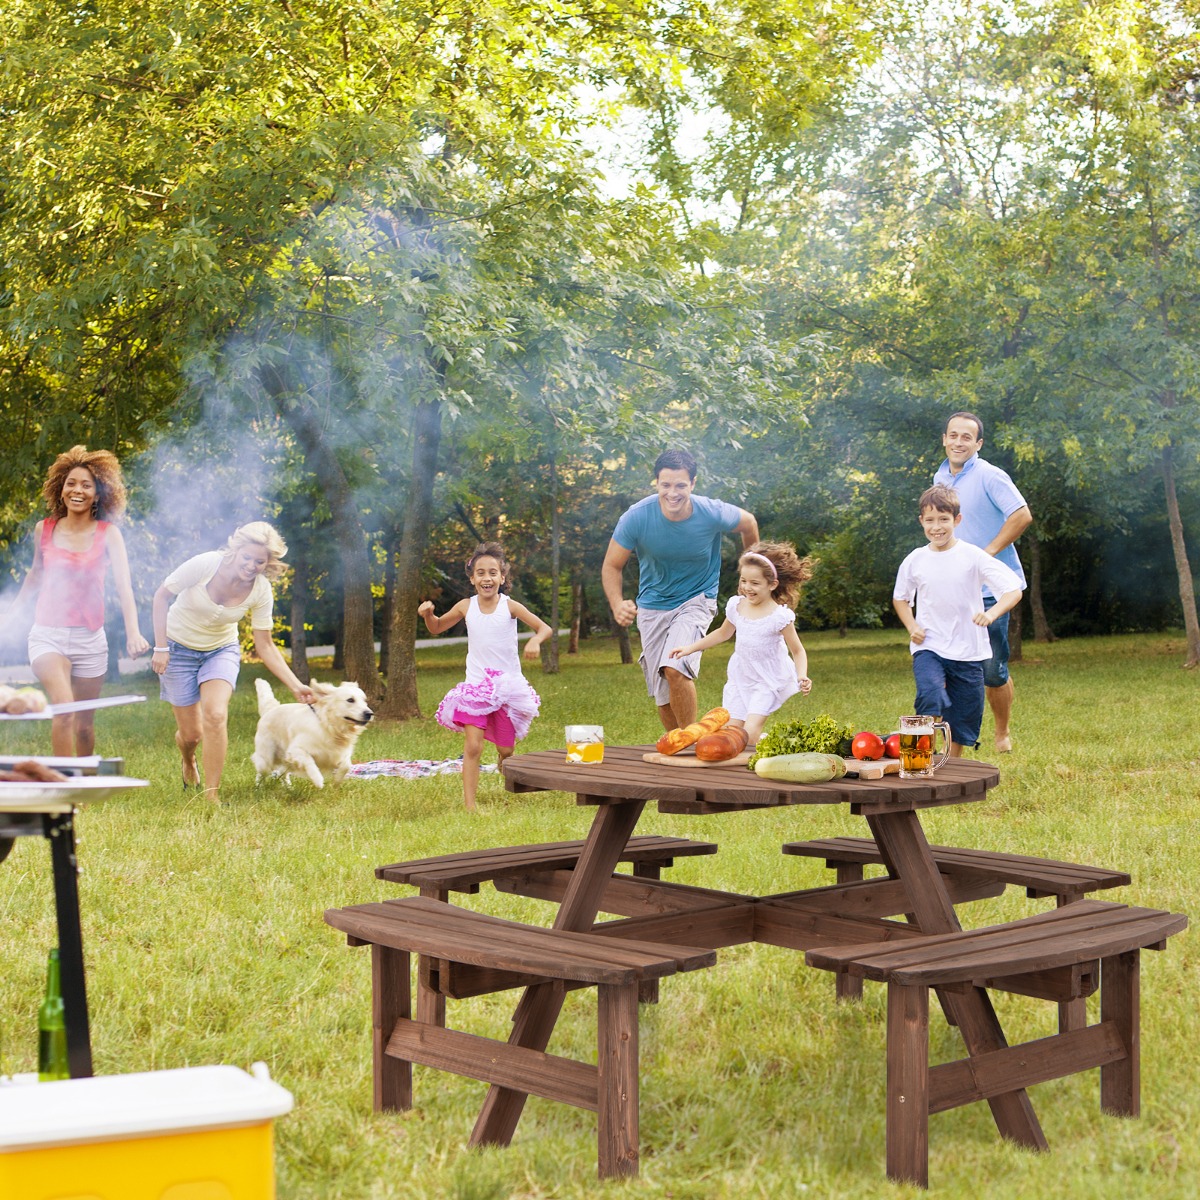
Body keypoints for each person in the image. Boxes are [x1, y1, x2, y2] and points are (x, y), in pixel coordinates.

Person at [151, 521, 314, 802]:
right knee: (191, 735)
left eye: (259, 561)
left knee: (215, 714)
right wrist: (161, 647)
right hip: (177, 649)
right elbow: (161, 596)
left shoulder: (261, 590)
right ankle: (188, 759)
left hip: (220, 650)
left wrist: (296, 685)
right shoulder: (206, 564)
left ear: (268, 563)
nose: (251, 565)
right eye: (247, 557)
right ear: (235, 551)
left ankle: (211, 795)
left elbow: (264, 644)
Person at [5, 446, 150, 755]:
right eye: (71, 483)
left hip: (90, 640)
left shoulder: (108, 534)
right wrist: (10, 615)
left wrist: (134, 633)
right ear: (61, 489)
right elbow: (35, 575)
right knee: (64, 709)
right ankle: (64, 791)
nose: (78, 490)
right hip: (47, 636)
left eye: (87, 485)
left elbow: (125, 588)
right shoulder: (43, 530)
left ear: (98, 495)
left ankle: (83, 788)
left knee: (84, 724)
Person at [601, 449, 759, 733]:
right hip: (651, 606)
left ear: (693, 484)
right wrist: (616, 603)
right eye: (666, 485)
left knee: (675, 668)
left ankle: (698, 744)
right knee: (662, 692)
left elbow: (748, 523)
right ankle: (677, 744)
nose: (672, 493)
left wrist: (750, 569)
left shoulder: (710, 511)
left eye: (680, 485)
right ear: (657, 484)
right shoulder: (636, 517)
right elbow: (612, 566)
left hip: (696, 600)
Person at [893, 485, 1024, 757]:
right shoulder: (915, 560)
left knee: (965, 716)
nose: (936, 527)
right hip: (929, 645)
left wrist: (991, 614)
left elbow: (1013, 590)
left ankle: (949, 768)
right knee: (930, 695)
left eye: (943, 519)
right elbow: (901, 598)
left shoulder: (973, 556)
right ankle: (919, 758)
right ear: (921, 522)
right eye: (930, 520)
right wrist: (912, 627)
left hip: (968, 651)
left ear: (957, 520)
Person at [419, 543, 551, 811]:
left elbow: (544, 628)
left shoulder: (510, 606)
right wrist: (428, 615)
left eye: (493, 573)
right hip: (475, 688)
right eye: (480, 573)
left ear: (502, 578)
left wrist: (536, 641)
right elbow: (436, 627)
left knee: (506, 749)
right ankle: (470, 807)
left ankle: (504, 760)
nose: (487, 578)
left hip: (507, 688)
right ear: (472, 579)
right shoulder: (466, 606)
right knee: (473, 746)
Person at [934, 411, 1033, 752]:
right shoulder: (941, 476)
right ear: (945, 439)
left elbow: (1022, 515)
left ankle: (1002, 732)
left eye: (966, 437)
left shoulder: (991, 475)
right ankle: (954, 743)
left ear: (978, 444)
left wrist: (987, 553)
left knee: (992, 669)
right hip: (955, 588)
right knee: (952, 664)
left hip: (992, 590)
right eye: (953, 435)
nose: (958, 442)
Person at [667, 541, 813, 747]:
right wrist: (690, 648)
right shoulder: (737, 605)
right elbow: (723, 633)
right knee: (731, 734)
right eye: (744, 580)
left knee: (748, 736)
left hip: (766, 680)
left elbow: (797, 651)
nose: (747, 587)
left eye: (755, 583)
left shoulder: (780, 616)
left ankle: (776, 745)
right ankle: (765, 744)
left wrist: (802, 675)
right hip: (740, 678)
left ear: (772, 584)